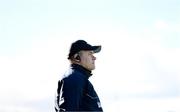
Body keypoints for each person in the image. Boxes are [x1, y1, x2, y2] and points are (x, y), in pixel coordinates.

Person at [55, 40, 103, 112]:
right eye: (90, 54)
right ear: (77, 58)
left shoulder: (78, 78)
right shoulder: (74, 78)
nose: (94, 58)